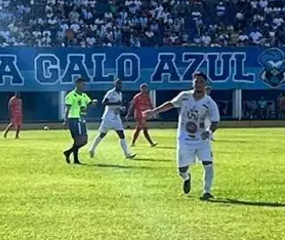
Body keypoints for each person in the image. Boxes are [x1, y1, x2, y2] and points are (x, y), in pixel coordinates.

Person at [144, 72, 220, 200]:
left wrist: (209, 131)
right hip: (184, 138)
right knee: (182, 169)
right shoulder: (184, 96)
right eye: (196, 81)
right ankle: (187, 177)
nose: (198, 84)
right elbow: (171, 104)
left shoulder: (209, 103)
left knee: (208, 164)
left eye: (201, 81)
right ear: (192, 83)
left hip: (201, 139)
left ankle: (206, 192)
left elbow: (215, 121)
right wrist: (154, 111)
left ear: (205, 84)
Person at [88, 79, 134, 159]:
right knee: (102, 134)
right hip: (108, 116)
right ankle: (91, 149)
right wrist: (116, 104)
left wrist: (120, 108)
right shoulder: (110, 93)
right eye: (118, 84)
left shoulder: (120, 93)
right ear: (115, 84)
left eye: (120, 84)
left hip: (116, 116)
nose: (120, 85)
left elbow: (118, 104)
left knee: (121, 134)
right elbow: (104, 102)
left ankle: (127, 154)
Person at [62, 78, 97, 164]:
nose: (84, 86)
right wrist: (66, 121)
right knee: (79, 140)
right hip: (74, 119)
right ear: (77, 84)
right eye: (82, 84)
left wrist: (93, 103)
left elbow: (89, 104)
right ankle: (75, 159)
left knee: (84, 140)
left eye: (84, 85)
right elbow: (67, 109)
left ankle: (68, 153)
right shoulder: (71, 95)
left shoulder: (84, 96)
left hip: (81, 119)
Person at [129, 83, 157, 148]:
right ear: (140, 89)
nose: (144, 90)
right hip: (138, 115)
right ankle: (151, 143)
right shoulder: (137, 97)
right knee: (144, 129)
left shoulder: (147, 97)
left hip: (144, 115)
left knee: (138, 129)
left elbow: (150, 105)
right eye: (143, 88)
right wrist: (128, 114)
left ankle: (132, 143)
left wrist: (154, 111)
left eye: (145, 88)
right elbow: (132, 105)